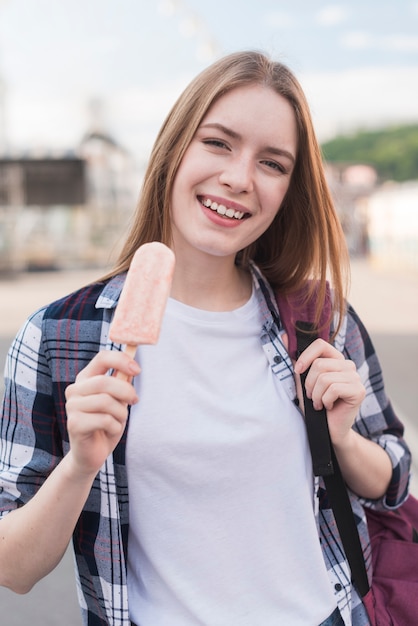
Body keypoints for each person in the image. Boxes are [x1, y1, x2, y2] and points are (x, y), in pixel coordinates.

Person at [0, 50, 411, 626]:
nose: (239, 178)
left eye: (272, 163)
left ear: (288, 189)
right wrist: (79, 466)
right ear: (175, 149)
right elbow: (13, 570)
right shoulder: (58, 336)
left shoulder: (321, 317)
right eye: (218, 143)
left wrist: (342, 439)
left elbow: (394, 482)